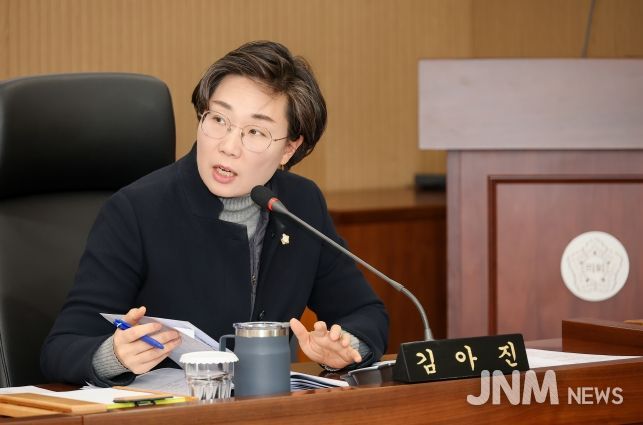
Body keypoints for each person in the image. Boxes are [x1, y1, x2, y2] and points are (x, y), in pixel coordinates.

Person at [40, 40, 388, 386]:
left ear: (289, 148)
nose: (228, 146)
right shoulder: (136, 210)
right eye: (219, 119)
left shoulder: (299, 204)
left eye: (255, 131)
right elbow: (61, 348)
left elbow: (365, 313)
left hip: (269, 405)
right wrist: (115, 355)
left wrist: (345, 347)